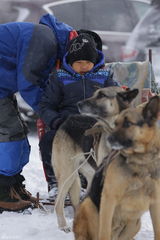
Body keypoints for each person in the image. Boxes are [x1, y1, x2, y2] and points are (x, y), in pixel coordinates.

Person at [0, 13, 75, 212]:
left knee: (19, 133)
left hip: (2, 88)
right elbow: (29, 83)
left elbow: (38, 81)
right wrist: (49, 114)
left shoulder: (48, 40)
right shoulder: (44, 39)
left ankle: (14, 186)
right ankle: (3, 193)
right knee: (11, 136)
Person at [39, 33, 119, 199]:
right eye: (79, 63)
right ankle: (56, 182)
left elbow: (116, 99)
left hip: (96, 126)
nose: (84, 66)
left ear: (95, 62)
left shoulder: (104, 77)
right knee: (48, 140)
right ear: (70, 62)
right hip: (66, 126)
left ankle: (90, 182)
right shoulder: (59, 78)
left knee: (106, 143)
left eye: (88, 63)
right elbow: (46, 106)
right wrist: (56, 121)